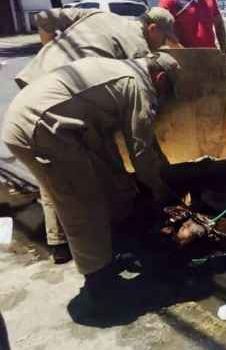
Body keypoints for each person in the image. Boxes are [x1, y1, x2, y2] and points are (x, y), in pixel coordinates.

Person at [2, 54, 181, 300]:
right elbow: (141, 152)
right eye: (165, 91)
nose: (162, 98)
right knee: (82, 201)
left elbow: (126, 149)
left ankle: (110, 252)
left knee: (101, 180)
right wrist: (162, 191)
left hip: (35, 117)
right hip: (39, 126)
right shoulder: (140, 86)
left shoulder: (124, 71)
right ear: (160, 78)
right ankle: (99, 282)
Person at [12, 7, 178, 264]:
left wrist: (53, 57)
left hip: (40, 82)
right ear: (153, 29)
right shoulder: (138, 51)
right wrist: (160, 187)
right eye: (164, 38)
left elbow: (43, 18)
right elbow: (139, 141)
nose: (162, 44)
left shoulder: (101, 15)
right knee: (84, 182)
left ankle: (59, 241)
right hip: (64, 101)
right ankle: (103, 252)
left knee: (54, 173)